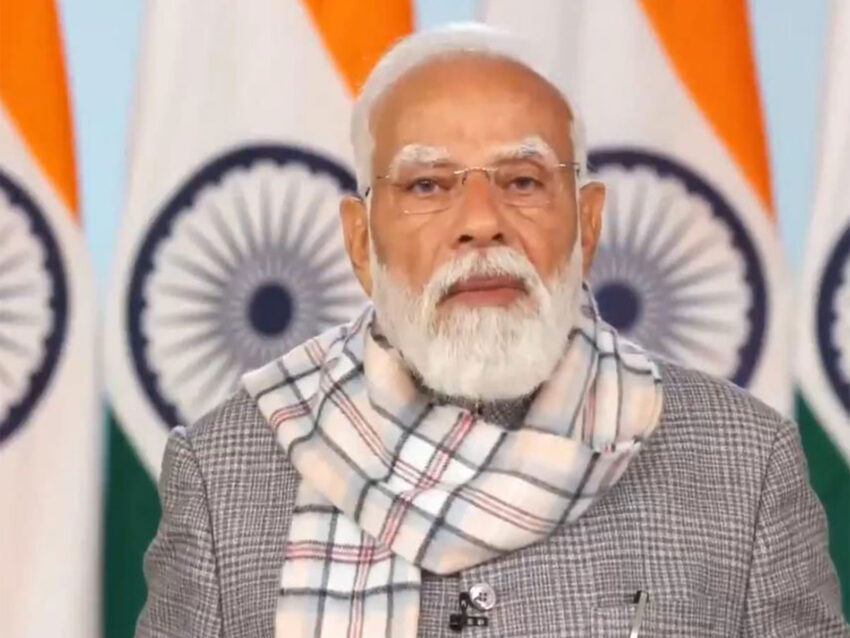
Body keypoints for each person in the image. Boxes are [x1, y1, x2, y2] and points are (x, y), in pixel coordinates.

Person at [136, 24, 849, 637]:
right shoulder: (223, 473)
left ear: (588, 223)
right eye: (427, 185)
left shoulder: (744, 463)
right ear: (360, 241)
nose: (481, 221)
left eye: (523, 181)